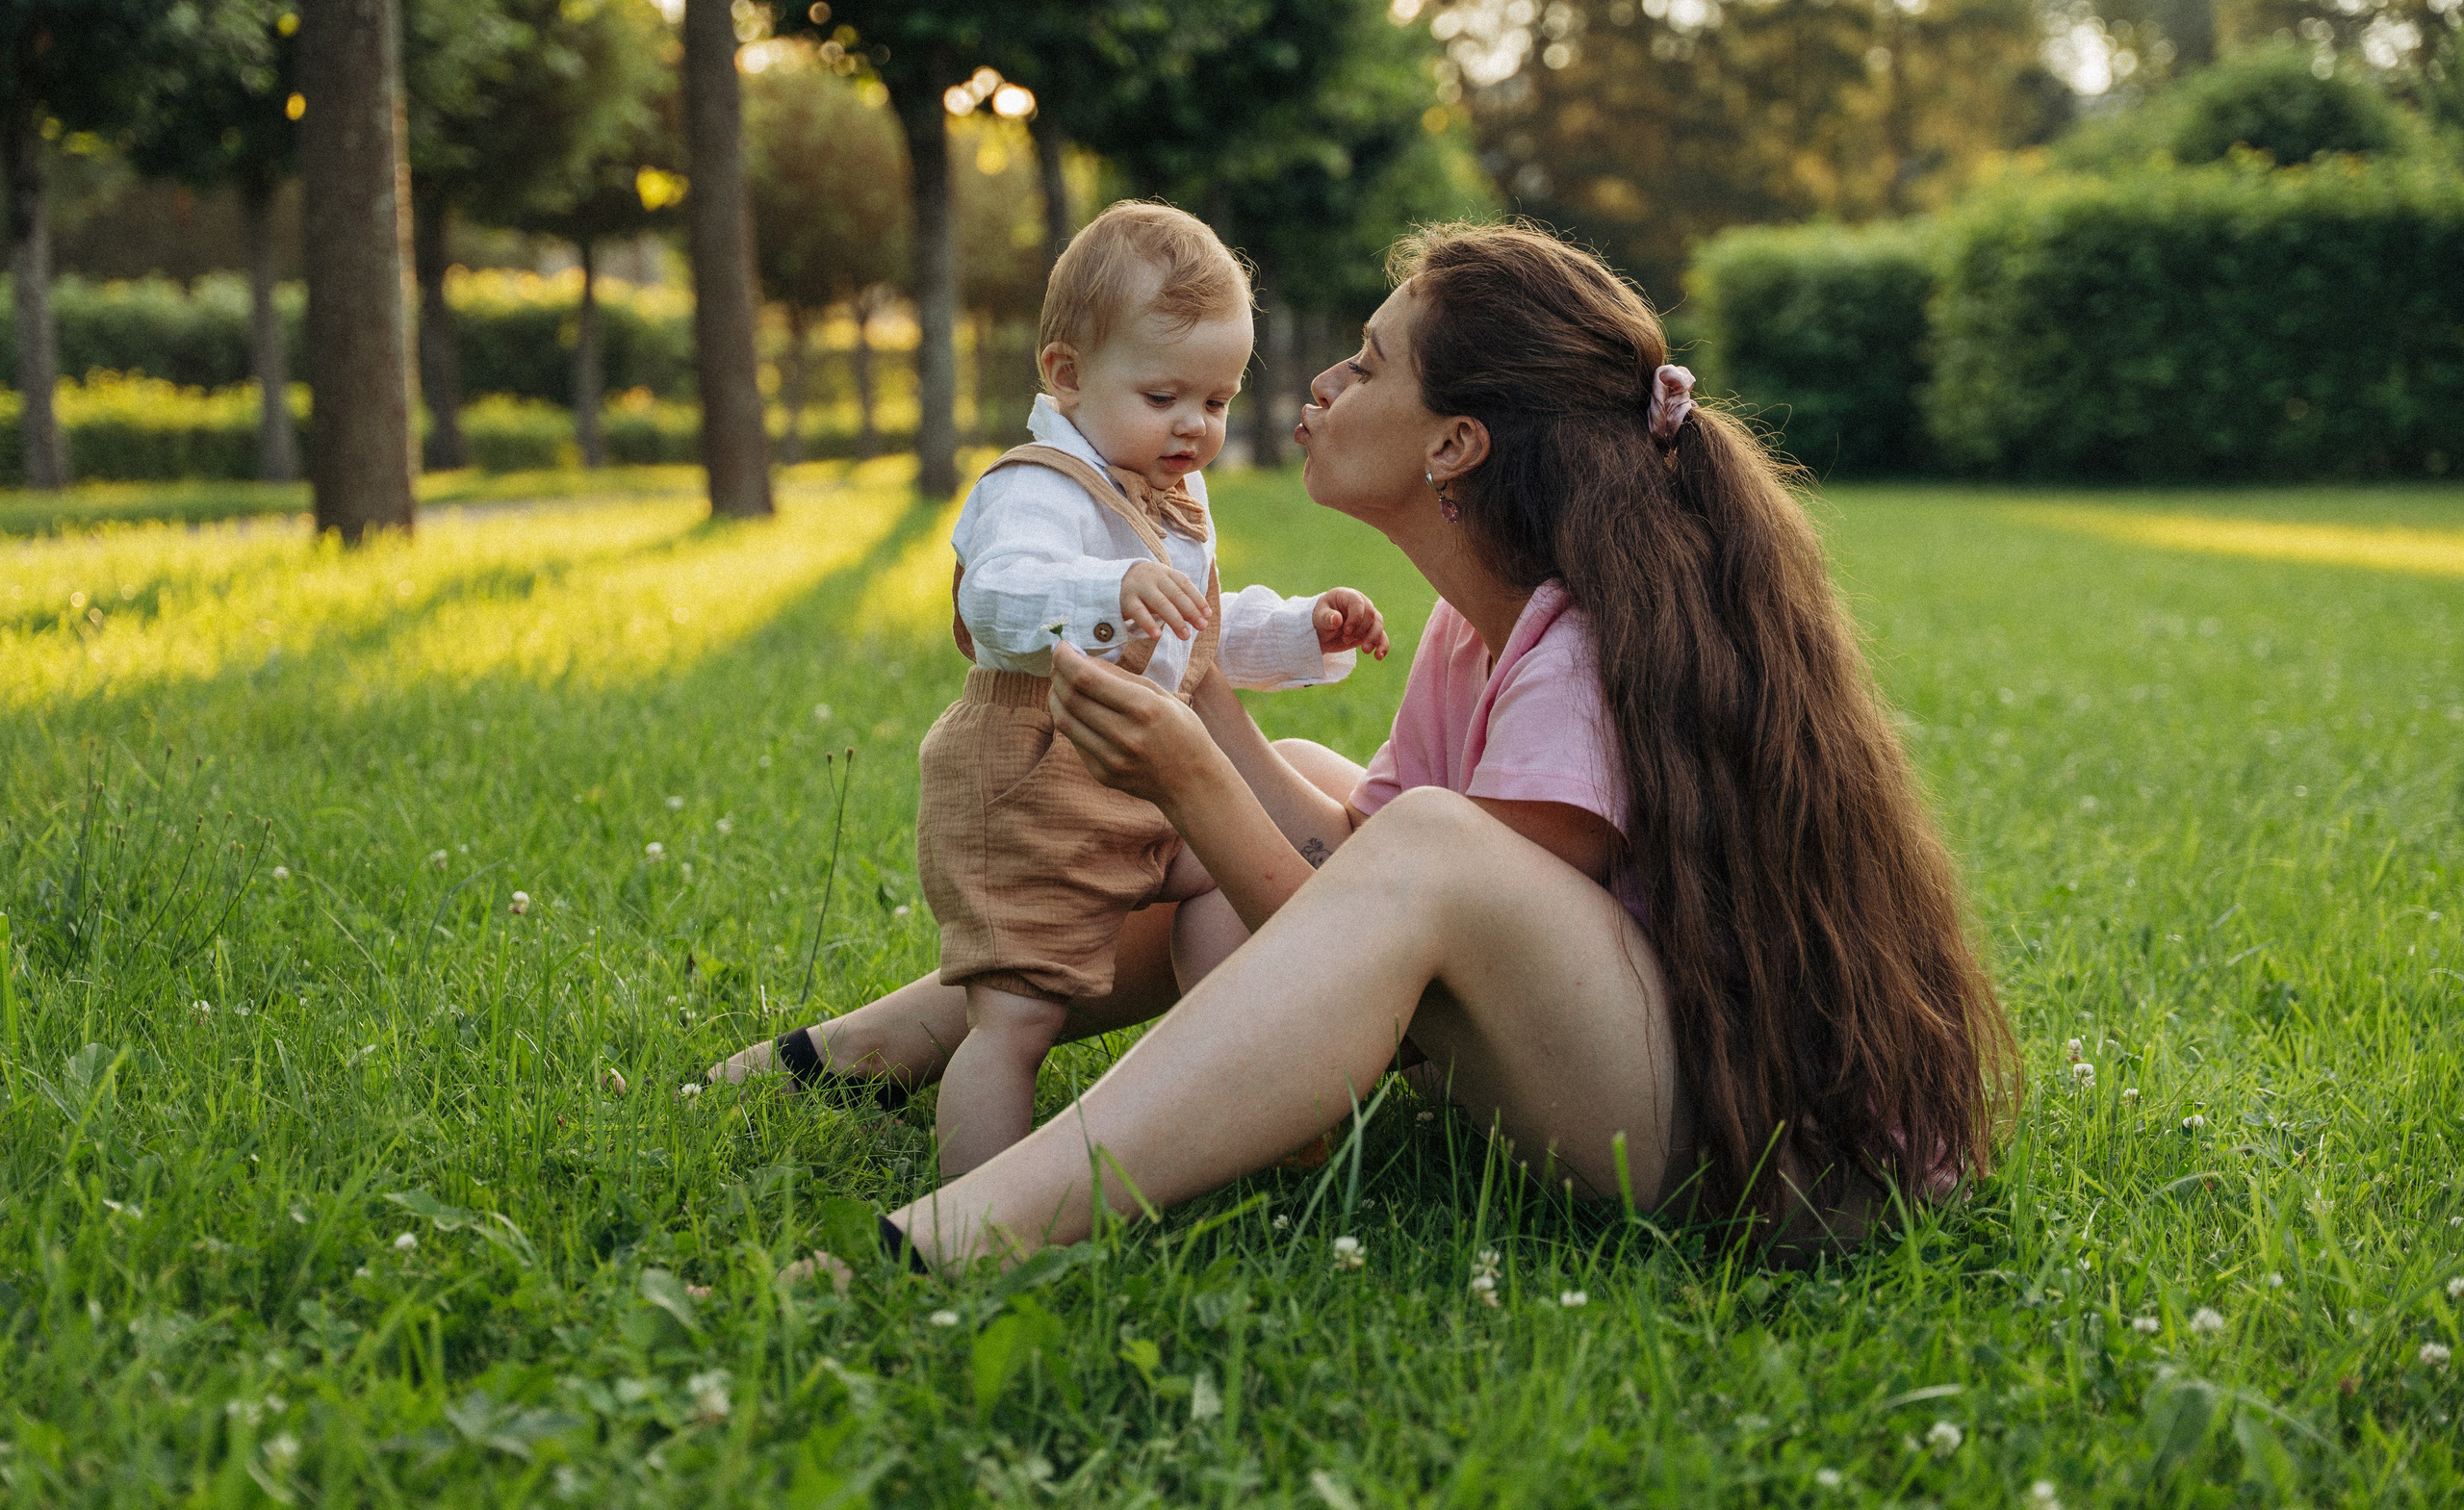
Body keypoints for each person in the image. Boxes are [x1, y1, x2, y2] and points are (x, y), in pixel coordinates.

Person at [718, 220, 2014, 1270]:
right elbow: (1344, 882)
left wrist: (1188, 771)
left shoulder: (1580, 657)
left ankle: (969, 1231)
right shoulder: (1476, 628)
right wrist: (1213, 708)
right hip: (1637, 1067)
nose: (1325, 382)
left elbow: (1372, 940)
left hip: (1772, 1165)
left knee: (1420, 839)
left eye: (1370, 363)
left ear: (1455, 444)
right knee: (1353, 795)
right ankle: (872, 1046)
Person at [711, 201, 1387, 1179]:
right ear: (1067, 376)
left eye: (1217, 400)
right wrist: (1106, 588)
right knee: (1015, 1019)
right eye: (1164, 397)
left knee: (1232, 893)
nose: (1194, 427)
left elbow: (1189, 630)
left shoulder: (1167, 492)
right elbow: (996, 598)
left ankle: (1240, 1106)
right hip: (1037, 785)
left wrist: (1294, 629)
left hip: (1152, 781)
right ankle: (981, 1205)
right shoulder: (1036, 489)